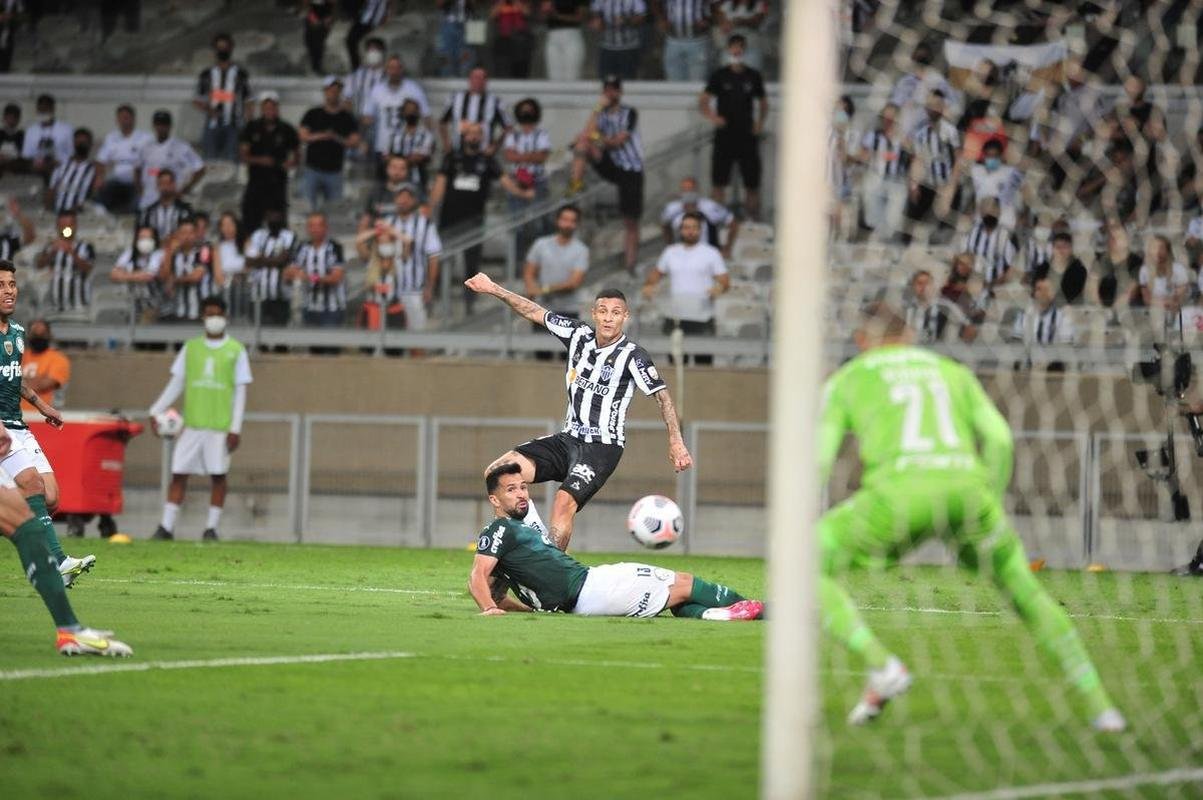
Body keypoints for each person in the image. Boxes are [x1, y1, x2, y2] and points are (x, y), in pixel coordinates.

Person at [816, 301, 1124, 731]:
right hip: (969, 496)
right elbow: (999, 439)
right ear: (910, 336)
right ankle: (1103, 709)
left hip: (899, 497)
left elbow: (819, 459)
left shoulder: (848, 378)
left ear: (861, 340)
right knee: (1025, 592)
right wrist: (988, 501)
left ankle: (882, 665)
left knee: (800, 563)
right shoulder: (951, 371)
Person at [465, 273, 693, 551]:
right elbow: (534, 311)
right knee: (498, 473)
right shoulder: (577, 335)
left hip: (601, 447)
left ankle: (550, 570)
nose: (608, 318)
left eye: (616, 313)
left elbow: (662, 397)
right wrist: (493, 288)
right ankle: (521, 547)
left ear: (625, 317)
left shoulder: (633, 356)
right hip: (567, 439)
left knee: (563, 503)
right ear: (593, 314)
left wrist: (676, 441)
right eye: (603, 311)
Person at [470, 462, 763, 619]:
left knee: (677, 599)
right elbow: (477, 577)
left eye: (523, 487)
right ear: (494, 500)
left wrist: (521, 609)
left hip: (587, 593)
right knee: (684, 583)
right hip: (592, 588)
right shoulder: (499, 530)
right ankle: (763, 609)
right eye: (511, 490)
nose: (522, 494)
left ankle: (715, 615)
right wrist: (489, 608)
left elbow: (494, 591)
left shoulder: (514, 533)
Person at [0, 418, 133, 655]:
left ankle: (70, 630)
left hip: (12, 427)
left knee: (27, 519)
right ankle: (70, 629)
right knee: (22, 522)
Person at [0, 260, 95, 588]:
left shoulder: (16, 333)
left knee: (51, 497)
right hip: (1, 428)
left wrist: (42, 406)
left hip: (18, 423)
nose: (9, 291)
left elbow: (13, 378)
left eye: (12, 284)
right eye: (1, 285)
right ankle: (57, 561)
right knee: (33, 486)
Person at [149, 296, 251, 542]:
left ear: (225, 317)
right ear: (203, 317)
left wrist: (235, 428)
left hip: (220, 427)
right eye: (209, 314)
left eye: (218, 314)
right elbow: (177, 383)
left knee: (218, 476)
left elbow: (240, 392)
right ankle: (166, 527)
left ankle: (211, 528)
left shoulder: (236, 350)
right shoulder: (191, 348)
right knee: (179, 474)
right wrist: (155, 410)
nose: (214, 318)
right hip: (191, 425)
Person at [569, 76, 644, 273]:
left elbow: (618, 141)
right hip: (611, 164)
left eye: (614, 89)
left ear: (620, 92)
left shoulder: (629, 113)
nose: (610, 93)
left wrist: (595, 137)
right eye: (607, 89)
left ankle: (630, 263)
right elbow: (586, 134)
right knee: (582, 144)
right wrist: (596, 109)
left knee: (631, 220)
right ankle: (575, 186)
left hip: (630, 169)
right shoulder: (601, 114)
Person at [430, 122, 505, 311]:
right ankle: (436, 298)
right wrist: (429, 208)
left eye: (477, 133)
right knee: (442, 259)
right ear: (464, 136)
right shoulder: (452, 158)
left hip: (474, 221)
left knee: (471, 263)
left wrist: (524, 193)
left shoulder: (487, 160)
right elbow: (440, 184)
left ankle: (469, 303)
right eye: (470, 133)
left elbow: (505, 181)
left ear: (482, 137)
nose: (474, 137)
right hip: (449, 219)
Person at [642, 211, 728, 364]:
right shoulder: (670, 252)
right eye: (687, 227)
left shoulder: (711, 253)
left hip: (702, 315)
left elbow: (724, 280)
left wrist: (719, 288)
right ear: (681, 230)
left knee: (703, 363)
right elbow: (656, 274)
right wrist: (649, 285)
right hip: (676, 315)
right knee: (676, 361)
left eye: (694, 227)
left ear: (700, 230)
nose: (690, 231)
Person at [700, 35, 768, 220]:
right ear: (729, 50)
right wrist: (713, 117)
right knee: (719, 183)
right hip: (725, 136)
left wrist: (760, 123)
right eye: (734, 47)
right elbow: (703, 101)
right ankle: (716, 221)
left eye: (740, 47)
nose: (737, 51)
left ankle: (752, 221)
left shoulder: (753, 75)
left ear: (744, 50)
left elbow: (763, 102)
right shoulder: (720, 75)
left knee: (752, 184)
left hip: (747, 135)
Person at [369, 184, 441, 331]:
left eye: (407, 197)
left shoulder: (425, 224)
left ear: (414, 200)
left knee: (416, 334)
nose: (403, 200)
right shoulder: (386, 222)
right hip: (388, 289)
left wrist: (430, 286)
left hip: (414, 289)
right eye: (400, 197)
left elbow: (433, 257)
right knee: (387, 334)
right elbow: (373, 252)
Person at [239, 91, 300, 234]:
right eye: (266, 108)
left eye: (273, 107)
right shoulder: (251, 127)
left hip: (277, 184)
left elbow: (296, 153)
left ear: (277, 108)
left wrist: (290, 163)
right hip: (256, 182)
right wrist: (261, 160)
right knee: (251, 223)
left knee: (277, 225)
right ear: (261, 109)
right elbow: (243, 155)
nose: (270, 111)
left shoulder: (286, 129)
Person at [299, 76, 361, 209]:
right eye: (331, 90)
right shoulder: (313, 113)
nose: (334, 93)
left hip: (335, 171)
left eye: (337, 90)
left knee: (334, 209)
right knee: (307, 207)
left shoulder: (347, 117)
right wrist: (322, 136)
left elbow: (355, 141)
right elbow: (303, 136)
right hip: (312, 169)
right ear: (325, 91)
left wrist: (336, 138)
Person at [502, 97, 551, 259]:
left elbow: (541, 157)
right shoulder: (513, 134)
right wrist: (531, 155)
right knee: (516, 223)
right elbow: (509, 156)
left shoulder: (542, 133)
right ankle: (517, 261)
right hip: (517, 182)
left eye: (529, 110)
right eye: (523, 110)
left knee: (540, 221)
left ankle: (540, 260)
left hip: (537, 181)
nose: (526, 113)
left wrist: (520, 156)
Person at [363, 55, 431, 170]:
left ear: (402, 69)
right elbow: (367, 117)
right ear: (386, 69)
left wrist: (426, 142)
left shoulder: (413, 89)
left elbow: (426, 116)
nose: (394, 71)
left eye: (397, 68)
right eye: (391, 68)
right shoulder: (377, 90)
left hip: (408, 147)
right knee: (383, 179)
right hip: (383, 146)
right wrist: (366, 139)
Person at [524, 204, 588, 322]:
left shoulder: (581, 250)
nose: (568, 224)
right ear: (557, 221)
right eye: (565, 220)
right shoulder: (540, 244)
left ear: (577, 224)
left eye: (572, 221)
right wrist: (531, 290)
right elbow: (529, 272)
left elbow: (573, 283)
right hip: (542, 309)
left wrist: (543, 290)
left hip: (569, 310)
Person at [194, 32, 252, 162]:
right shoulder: (207, 74)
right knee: (210, 161)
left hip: (234, 125)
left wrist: (248, 124)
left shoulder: (240, 74)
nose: (222, 50)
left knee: (231, 160)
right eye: (219, 47)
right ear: (215, 49)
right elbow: (197, 100)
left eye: (225, 47)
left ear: (231, 48)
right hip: (212, 124)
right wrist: (209, 110)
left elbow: (248, 100)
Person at [287, 212, 346, 329]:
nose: (315, 229)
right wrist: (294, 273)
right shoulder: (302, 247)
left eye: (319, 225)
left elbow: (336, 277)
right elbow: (290, 272)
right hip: (308, 307)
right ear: (307, 228)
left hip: (331, 309)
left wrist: (310, 277)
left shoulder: (334, 248)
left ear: (326, 228)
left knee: (329, 339)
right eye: (311, 226)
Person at [138, 110, 205, 210]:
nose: (161, 127)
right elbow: (137, 169)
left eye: (164, 124)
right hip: (148, 198)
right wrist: (140, 190)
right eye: (158, 124)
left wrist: (185, 189)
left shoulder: (181, 146)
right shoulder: (146, 147)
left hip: (171, 199)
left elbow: (200, 168)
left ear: (170, 126)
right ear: (154, 126)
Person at [660, 175, 739, 255]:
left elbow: (733, 223)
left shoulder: (710, 207)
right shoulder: (671, 209)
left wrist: (727, 248)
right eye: (685, 190)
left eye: (691, 190)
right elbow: (665, 226)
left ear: (697, 191)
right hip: (682, 254)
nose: (688, 193)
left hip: (707, 253)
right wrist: (670, 246)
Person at [439, 67, 509, 156]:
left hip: (484, 153)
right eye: (475, 77)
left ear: (486, 81)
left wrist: (495, 146)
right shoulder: (455, 98)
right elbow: (442, 122)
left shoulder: (495, 101)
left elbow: (508, 128)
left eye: (482, 78)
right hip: (457, 151)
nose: (478, 81)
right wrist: (446, 142)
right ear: (469, 80)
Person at [159, 216, 219, 322]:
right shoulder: (173, 254)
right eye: (183, 233)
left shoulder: (204, 250)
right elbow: (164, 276)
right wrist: (169, 252)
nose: (187, 236)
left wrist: (174, 280)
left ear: (196, 234)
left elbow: (197, 276)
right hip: (178, 312)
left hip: (200, 311)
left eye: (190, 233)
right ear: (177, 235)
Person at [245, 210, 298, 327]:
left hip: (281, 296)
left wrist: (260, 259)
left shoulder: (289, 236)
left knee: (280, 332)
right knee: (257, 330)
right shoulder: (258, 235)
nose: (273, 220)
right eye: (270, 217)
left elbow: (283, 260)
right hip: (258, 295)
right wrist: (274, 260)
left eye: (276, 217)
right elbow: (249, 261)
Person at [96, 104, 153, 214]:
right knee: (101, 198)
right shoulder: (111, 137)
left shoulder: (146, 138)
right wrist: (99, 177)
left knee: (137, 203)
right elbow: (100, 161)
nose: (124, 121)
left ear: (133, 119)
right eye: (121, 118)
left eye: (126, 117)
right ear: (117, 120)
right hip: (116, 180)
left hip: (137, 181)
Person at [35, 210, 94, 313]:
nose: (66, 228)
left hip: (78, 307)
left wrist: (72, 252)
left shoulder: (86, 247)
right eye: (62, 225)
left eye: (69, 225)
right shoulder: (50, 246)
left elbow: (88, 268)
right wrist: (52, 252)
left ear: (75, 226)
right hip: (54, 308)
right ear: (57, 227)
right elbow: (39, 265)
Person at [110, 224, 164, 321]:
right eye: (142, 238)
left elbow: (148, 276)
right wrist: (137, 275)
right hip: (131, 302)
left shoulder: (159, 254)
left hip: (152, 303)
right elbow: (113, 275)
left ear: (155, 240)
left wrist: (124, 275)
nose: (145, 241)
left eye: (148, 238)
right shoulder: (130, 253)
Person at [45, 127, 100, 214]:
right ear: (73, 143)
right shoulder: (61, 166)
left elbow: (94, 195)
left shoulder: (93, 170)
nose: (81, 145)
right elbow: (51, 191)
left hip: (80, 216)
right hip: (58, 214)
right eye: (78, 142)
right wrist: (48, 212)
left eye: (84, 143)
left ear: (90, 145)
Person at [21, 94, 74, 183]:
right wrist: (37, 163)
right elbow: (26, 155)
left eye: (46, 110)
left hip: (60, 171)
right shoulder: (31, 131)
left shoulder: (66, 129)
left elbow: (72, 154)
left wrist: (57, 162)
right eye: (41, 110)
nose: (43, 113)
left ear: (53, 109)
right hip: (36, 172)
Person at [20, 319, 69, 414]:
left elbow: (42, 385)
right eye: (35, 334)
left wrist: (14, 382)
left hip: (43, 415)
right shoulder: (19, 355)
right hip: (13, 414)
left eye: (42, 334)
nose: (38, 337)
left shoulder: (58, 359)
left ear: (49, 335)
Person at [589, 0, 646, 81]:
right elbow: (595, 16)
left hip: (628, 47)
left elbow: (641, 17)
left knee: (628, 80)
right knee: (606, 80)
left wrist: (625, 20)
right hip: (607, 47)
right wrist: (597, 22)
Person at [656, 0, 711, 82]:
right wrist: (661, 19)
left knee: (698, 80)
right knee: (674, 80)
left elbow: (715, 4)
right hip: (673, 41)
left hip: (698, 41)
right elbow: (655, 2)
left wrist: (708, 20)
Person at [387, 100, 435, 192]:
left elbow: (421, 156)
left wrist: (399, 161)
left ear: (418, 113)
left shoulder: (426, 134)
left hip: (418, 179)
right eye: (408, 110)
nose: (411, 113)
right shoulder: (394, 133)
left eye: (414, 110)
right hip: (395, 180)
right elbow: (388, 155)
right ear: (403, 112)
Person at [138, 170, 195, 243]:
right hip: (153, 248)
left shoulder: (185, 210)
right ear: (157, 186)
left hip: (179, 247)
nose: (165, 187)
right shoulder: (148, 212)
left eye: (168, 183)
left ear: (174, 185)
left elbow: (189, 233)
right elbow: (142, 235)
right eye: (161, 183)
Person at [213, 211, 249, 320]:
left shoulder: (246, 243)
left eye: (230, 224)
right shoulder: (218, 247)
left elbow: (250, 266)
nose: (227, 228)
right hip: (226, 289)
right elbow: (218, 274)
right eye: (223, 225)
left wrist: (240, 275)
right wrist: (229, 280)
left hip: (243, 288)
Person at [542, 0, 587, 81]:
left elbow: (581, 17)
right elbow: (542, 15)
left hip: (571, 35)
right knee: (554, 77)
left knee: (572, 76)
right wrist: (546, 12)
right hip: (553, 35)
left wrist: (557, 15)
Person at [491, 0, 533, 78]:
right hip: (503, 39)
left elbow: (527, 13)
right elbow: (492, 15)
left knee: (520, 69)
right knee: (502, 69)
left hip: (520, 40)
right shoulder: (499, 2)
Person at [346, 0, 389, 71]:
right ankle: (356, 67)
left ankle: (357, 67)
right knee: (350, 40)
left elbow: (385, 7)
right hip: (363, 20)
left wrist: (384, 18)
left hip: (371, 22)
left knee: (352, 40)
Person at [302, 0, 336, 74]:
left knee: (318, 42)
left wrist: (328, 18)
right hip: (312, 16)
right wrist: (311, 16)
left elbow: (332, 5)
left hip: (324, 17)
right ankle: (315, 66)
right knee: (310, 41)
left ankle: (317, 67)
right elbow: (306, 5)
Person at [0, 197, 35, 262]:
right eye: (10, 206)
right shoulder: (4, 219)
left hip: (18, 248)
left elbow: (30, 237)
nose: (12, 208)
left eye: (14, 205)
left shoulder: (25, 220)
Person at [0, 103, 24, 178]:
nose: (11, 121)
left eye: (14, 118)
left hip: (16, 165)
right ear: (4, 118)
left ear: (18, 120)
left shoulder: (22, 135)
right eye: (9, 117)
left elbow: (24, 154)